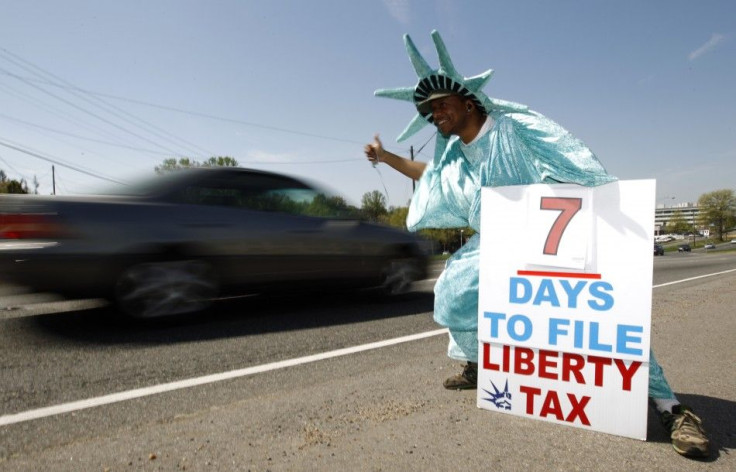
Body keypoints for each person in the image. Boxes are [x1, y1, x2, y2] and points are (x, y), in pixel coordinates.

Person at [365, 30, 709, 459]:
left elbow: (565, 156)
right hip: (495, 243)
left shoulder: (512, 129)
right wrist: (386, 158)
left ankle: (671, 407)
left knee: (602, 321)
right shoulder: (455, 156)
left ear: (468, 101)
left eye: (441, 105)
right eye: (429, 110)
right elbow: (429, 175)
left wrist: (599, 207)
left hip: (550, 238)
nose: (435, 115)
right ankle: (480, 363)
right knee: (451, 297)